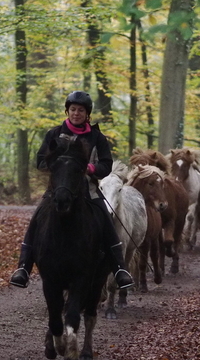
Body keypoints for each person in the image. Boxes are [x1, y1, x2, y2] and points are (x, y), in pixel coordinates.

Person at [9, 90, 134, 290]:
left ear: (87, 114)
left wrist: (90, 168)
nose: (76, 113)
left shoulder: (97, 137)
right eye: (73, 109)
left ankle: (120, 269)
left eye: (81, 110)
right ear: (67, 111)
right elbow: (40, 161)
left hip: (88, 190)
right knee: (37, 219)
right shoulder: (54, 133)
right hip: (57, 189)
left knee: (106, 220)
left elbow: (106, 165)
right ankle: (23, 267)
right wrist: (58, 165)